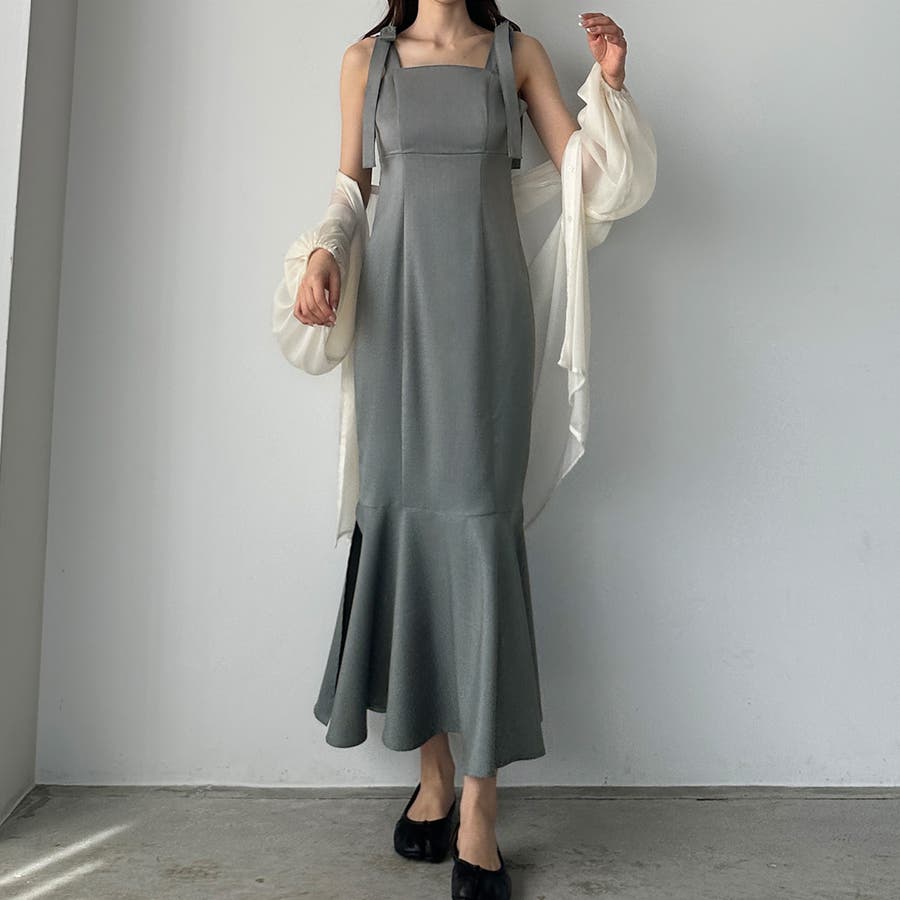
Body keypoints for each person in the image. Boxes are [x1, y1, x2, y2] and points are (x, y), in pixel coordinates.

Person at [285, 3, 652, 898]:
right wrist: (326, 253)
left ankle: (481, 805)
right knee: (407, 529)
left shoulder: (515, 55)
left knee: (480, 534)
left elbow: (585, 176)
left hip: (488, 320)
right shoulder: (365, 61)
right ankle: (436, 775)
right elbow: (351, 188)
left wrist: (608, 88)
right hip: (396, 325)